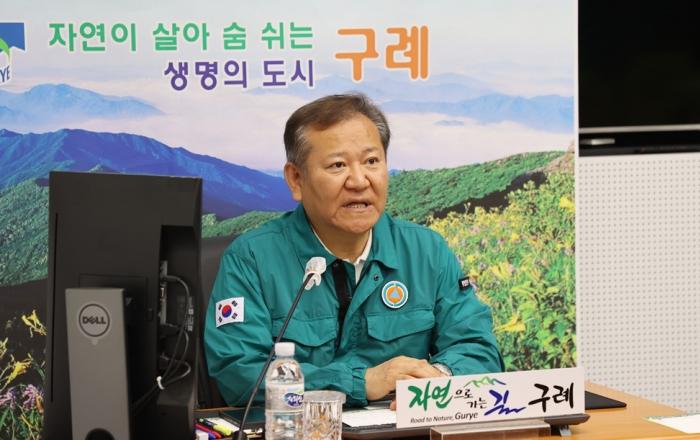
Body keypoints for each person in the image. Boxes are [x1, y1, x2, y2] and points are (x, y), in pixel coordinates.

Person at [204, 93, 503, 407]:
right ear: (296, 179)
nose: (360, 181)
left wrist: (436, 379)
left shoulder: (426, 251)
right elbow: (241, 374)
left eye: (372, 162)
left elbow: (478, 348)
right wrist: (360, 383)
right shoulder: (252, 259)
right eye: (338, 165)